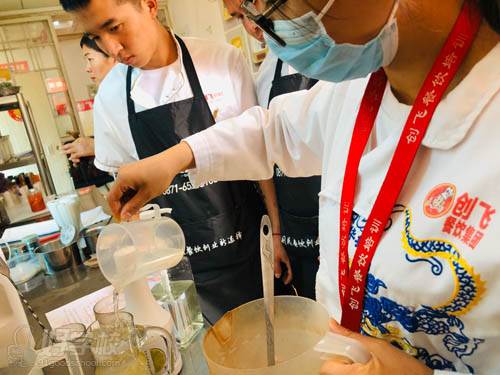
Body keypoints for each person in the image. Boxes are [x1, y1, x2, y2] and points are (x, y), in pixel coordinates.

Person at [108, 0, 500, 373]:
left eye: (267, 6)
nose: (268, 31)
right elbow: (274, 129)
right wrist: (177, 157)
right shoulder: (359, 88)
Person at [59, 0, 271, 324]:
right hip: (183, 276)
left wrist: (280, 235)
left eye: (115, 27)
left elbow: (259, 153)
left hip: (251, 253)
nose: (112, 48)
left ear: (149, 4)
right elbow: (128, 203)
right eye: (96, 36)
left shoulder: (221, 61)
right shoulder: (110, 98)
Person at [226, 0, 321, 299]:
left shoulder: (337, 54)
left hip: (344, 223)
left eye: (251, 6)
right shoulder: (265, 74)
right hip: (296, 226)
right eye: (239, 16)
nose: (252, 25)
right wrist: (277, 237)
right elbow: (265, 156)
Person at [62, 35, 117, 165]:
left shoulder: (133, 93)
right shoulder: (106, 94)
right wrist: (91, 146)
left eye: (90, 59)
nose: (87, 68)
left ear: (113, 56)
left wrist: (95, 147)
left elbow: (140, 143)